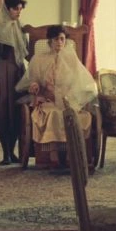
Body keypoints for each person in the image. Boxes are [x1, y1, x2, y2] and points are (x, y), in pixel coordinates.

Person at [15, 25, 97, 169]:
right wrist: (34, 86)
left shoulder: (72, 59)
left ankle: (70, 153)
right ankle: (53, 154)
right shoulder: (39, 59)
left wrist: (72, 96)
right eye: (55, 39)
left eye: (62, 39)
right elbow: (33, 80)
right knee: (54, 114)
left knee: (72, 115)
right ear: (50, 41)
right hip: (48, 100)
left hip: (68, 100)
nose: (59, 42)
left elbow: (80, 81)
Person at [0, 0, 28, 165]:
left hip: (19, 73)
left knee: (18, 113)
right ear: (7, 9)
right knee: (4, 114)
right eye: (15, 9)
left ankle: (12, 150)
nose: (18, 12)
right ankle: (5, 153)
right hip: (3, 75)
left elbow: (25, 51)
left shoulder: (19, 27)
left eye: (20, 9)